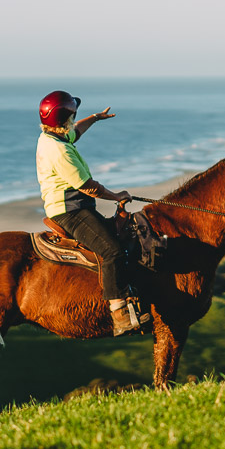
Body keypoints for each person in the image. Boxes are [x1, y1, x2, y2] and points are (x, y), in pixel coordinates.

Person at [35, 90, 146, 336]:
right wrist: (117, 196)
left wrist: (95, 118)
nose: (75, 119)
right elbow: (87, 186)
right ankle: (119, 314)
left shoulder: (53, 138)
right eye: (73, 115)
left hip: (72, 206)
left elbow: (76, 133)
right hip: (71, 210)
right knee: (112, 251)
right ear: (63, 119)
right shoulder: (59, 151)